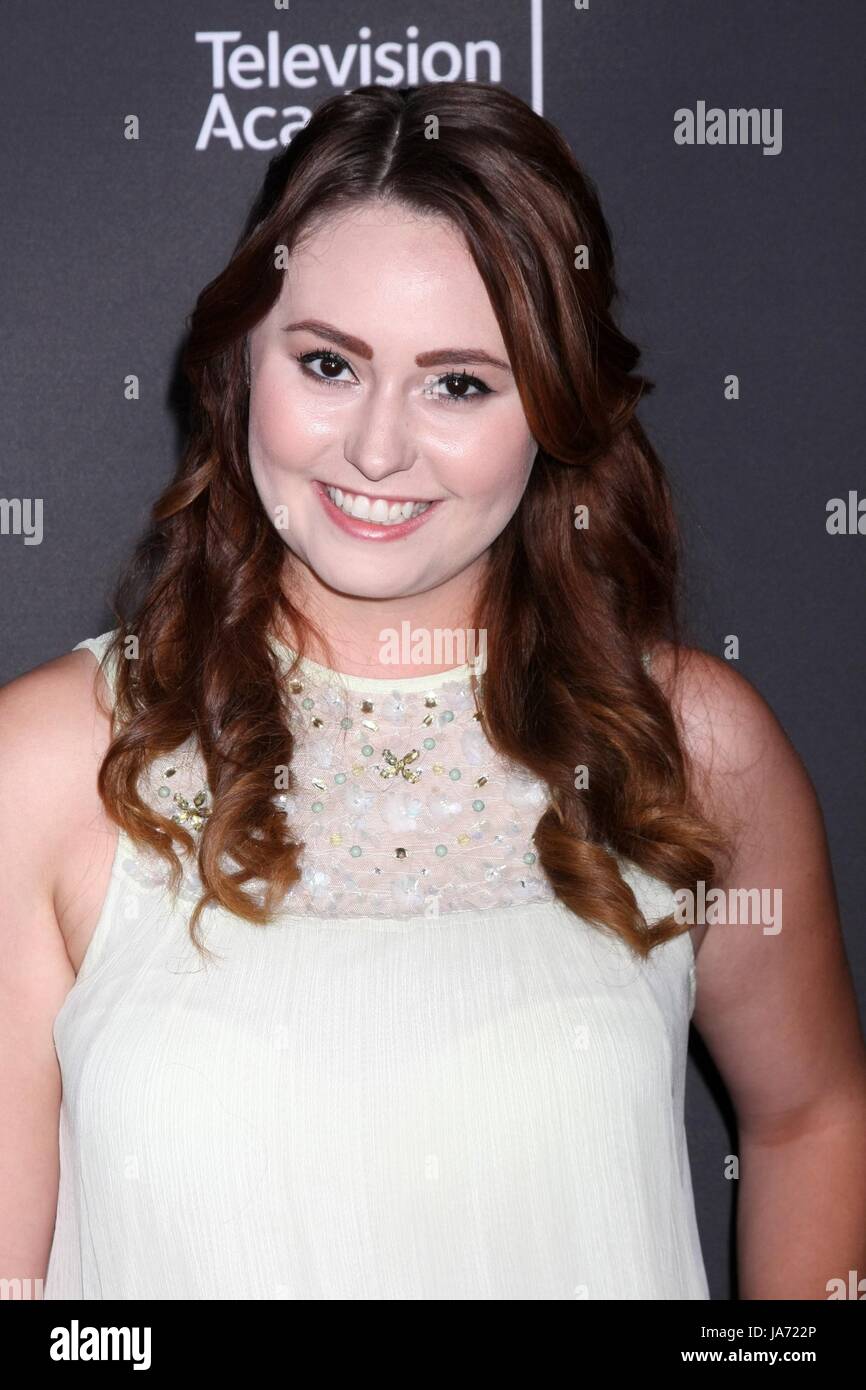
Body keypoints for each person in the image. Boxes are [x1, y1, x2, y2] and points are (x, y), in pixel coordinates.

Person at [2, 81, 864, 1302]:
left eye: (459, 382)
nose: (374, 449)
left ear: (554, 408)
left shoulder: (691, 746)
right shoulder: (47, 764)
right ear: (243, 360)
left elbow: (809, 1116)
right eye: (327, 363)